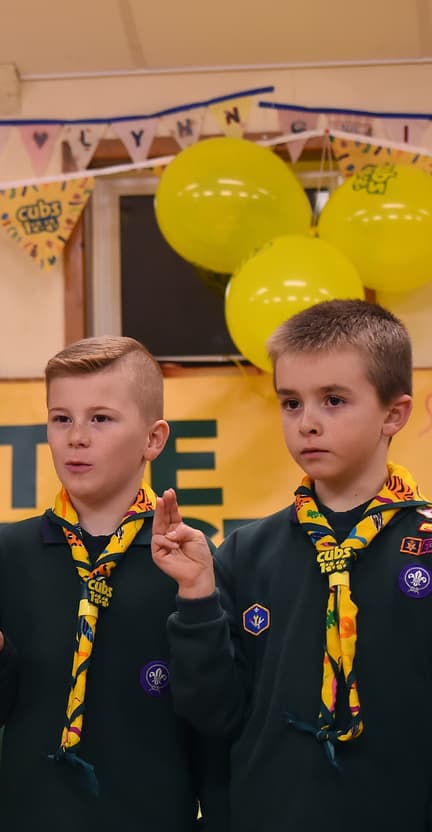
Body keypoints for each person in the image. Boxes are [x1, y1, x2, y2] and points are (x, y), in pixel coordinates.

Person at [155, 300, 430, 829]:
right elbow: (213, 714)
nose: (308, 423)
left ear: (393, 414)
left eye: (333, 400)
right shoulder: (243, 553)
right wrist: (196, 599)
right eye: (290, 402)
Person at [0, 336, 222, 830]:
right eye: (61, 418)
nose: (76, 437)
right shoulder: (11, 555)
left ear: (154, 439)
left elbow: (216, 715)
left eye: (101, 419)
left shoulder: (186, 561)